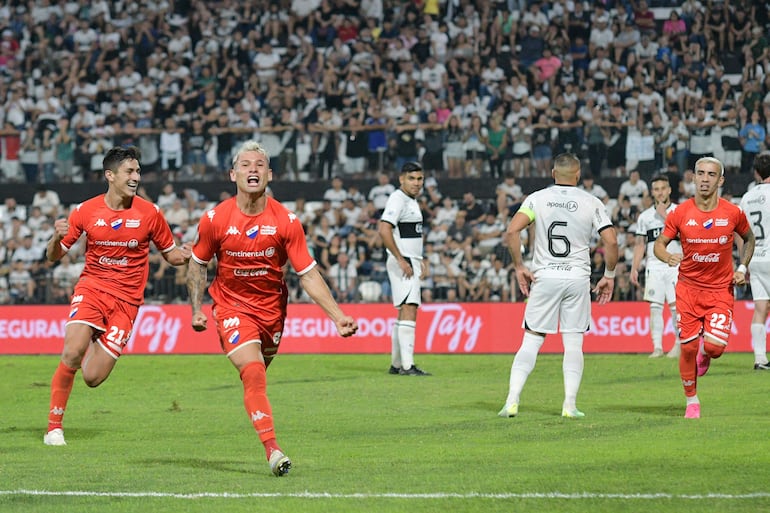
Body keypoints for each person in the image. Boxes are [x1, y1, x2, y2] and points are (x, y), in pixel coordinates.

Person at [186, 140, 358, 477]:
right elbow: (198, 264)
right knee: (253, 374)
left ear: (270, 174)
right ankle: (273, 450)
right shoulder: (214, 219)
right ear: (233, 173)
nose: (253, 169)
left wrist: (338, 316)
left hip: (272, 311)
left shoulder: (286, 221)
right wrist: (196, 308)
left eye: (260, 165)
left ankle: (262, 425)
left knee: (258, 376)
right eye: (246, 164)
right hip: (232, 306)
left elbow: (307, 273)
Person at [43, 146, 192, 447]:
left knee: (92, 378)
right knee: (72, 351)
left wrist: (190, 254)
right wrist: (56, 237)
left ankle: (91, 343)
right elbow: (53, 256)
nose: (136, 177)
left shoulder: (151, 213)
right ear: (110, 175)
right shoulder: (85, 210)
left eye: (138, 171)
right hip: (92, 290)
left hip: (126, 304)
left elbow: (172, 255)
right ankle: (54, 428)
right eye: (129, 171)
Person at [498, 153, 618, 419]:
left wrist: (519, 266)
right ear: (577, 175)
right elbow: (610, 241)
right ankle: (569, 405)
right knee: (573, 343)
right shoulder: (591, 202)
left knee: (531, 340)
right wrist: (609, 275)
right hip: (577, 278)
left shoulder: (536, 199)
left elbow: (511, 231)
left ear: (553, 173)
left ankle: (512, 401)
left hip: (545, 276)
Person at [654, 157, 754, 419]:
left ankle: (706, 355)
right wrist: (667, 257)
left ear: (720, 180)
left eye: (711, 174)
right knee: (687, 347)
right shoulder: (679, 213)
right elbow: (659, 245)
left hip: (721, 290)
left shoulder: (732, 212)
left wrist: (742, 268)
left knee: (714, 348)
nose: (705, 178)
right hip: (687, 289)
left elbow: (749, 238)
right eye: (700, 173)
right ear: (693, 178)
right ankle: (692, 402)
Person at [378, 161, 431, 376]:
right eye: (412, 178)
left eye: (419, 179)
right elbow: (384, 229)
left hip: (411, 258)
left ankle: (397, 364)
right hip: (404, 260)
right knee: (410, 307)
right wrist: (401, 259)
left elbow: (410, 233)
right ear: (401, 179)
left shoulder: (410, 200)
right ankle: (408, 366)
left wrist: (419, 258)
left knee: (404, 310)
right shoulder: (398, 199)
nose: (416, 183)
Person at [630, 174, 682, 358]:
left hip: (675, 266)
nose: (660, 193)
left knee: (676, 307)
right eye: (656, 189)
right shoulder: (645, 217)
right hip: (654, 266)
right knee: (655, 307)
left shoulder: (679, 211)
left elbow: (687, 236)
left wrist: (665, 216)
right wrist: (634, 267)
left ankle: (678, 343)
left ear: (669, 190)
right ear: (652, 192)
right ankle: (657, 347)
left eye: (663, 188)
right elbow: (639, 244)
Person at [738, 152, 770, 370]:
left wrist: (743, 263)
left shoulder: (746, 197)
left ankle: (760, 358)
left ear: (756, 173)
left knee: (760, 307)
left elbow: (739, 233)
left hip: (756, 258)